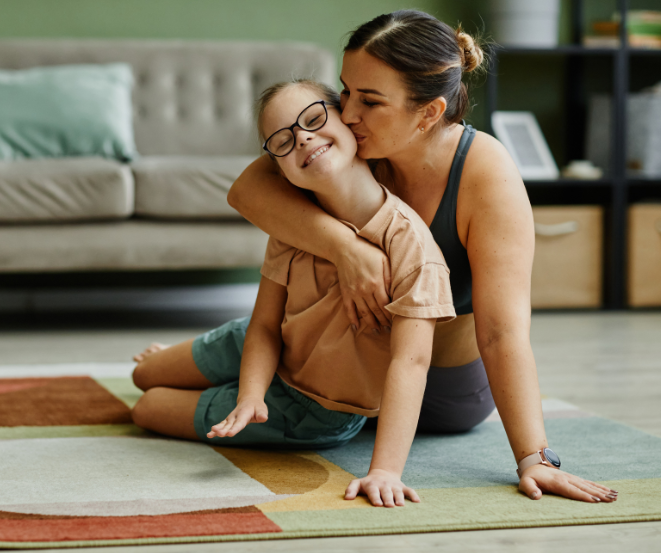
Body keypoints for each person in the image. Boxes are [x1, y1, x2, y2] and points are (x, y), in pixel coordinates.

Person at [227, 10, 617, 505]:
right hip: (344, 370)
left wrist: (535, 458)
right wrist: (344, 248)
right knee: (243, 357)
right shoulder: (355, 142)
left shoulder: (485, 175)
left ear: (428, 112)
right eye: (346, 91)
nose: (346, 113)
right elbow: (248, 190)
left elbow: (501, 333)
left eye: (369, 101)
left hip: (442, 393)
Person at [132, 78, 459, 508]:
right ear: (278, 164)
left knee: (146, 407)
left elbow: (411, 363)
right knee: (143, 375)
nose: (302, 137)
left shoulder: (412, 249)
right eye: (282, 140)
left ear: (350, 123)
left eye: (312, 119)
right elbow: (265, 325)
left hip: (313, 407)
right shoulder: (293, 220)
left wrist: (385, 471)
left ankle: (209, 375)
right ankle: (211, 373)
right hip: (263, 343)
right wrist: (250, 394)